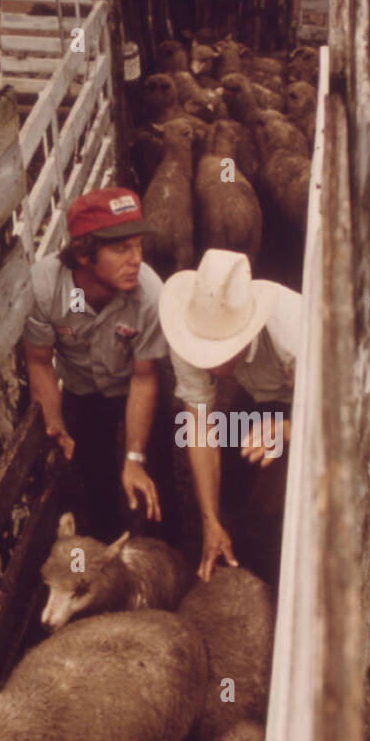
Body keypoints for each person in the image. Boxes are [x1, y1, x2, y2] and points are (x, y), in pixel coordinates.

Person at [22, 187, 176, 544]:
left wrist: (135, 455)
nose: (136, 259)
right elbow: (39, 361)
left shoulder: (151, 296)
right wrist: (55, 422)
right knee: (95, 475)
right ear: (84, 253)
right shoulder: (44, 288)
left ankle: (165, 550)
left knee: (155, 470)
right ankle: (107, 552)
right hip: (83, 388)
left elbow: (144, 377)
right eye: (122, 249)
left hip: (137, 380)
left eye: (139, 245)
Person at [158, 248, 299, 582]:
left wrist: (291, 429)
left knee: (276, 504)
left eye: (218, 352)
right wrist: (210, 519)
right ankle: (225, 544)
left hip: (319, 396)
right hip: (262, 392)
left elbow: (348, 408)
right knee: (231, 481)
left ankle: (274, 577)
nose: (207, 363)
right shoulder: (188, 330)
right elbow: (199, 428)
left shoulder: (295, 334)